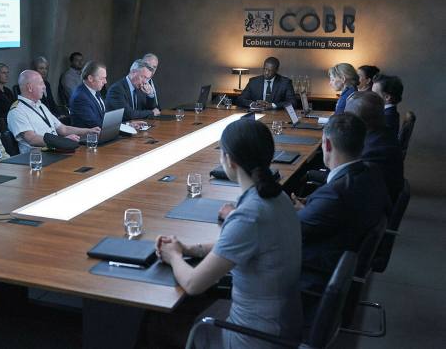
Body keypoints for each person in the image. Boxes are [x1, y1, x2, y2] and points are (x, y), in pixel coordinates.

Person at [157, 119, 302, 348]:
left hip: (252, 338)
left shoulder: (249, 215)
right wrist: (190, 249)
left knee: (157, 321)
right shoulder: (278, 197)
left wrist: (173, 256)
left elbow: (194, 284)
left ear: (230, 161)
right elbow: (236, 243)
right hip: (283, 323)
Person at [294, 113, 391, 290]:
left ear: (327, 144)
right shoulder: (372, 172)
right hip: (342, 257)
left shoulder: (334, 195)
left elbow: (287, 230)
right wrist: (309, 207)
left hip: (313, 274)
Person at [7, 70, 99, 154]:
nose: (44, 87)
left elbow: (63, 129)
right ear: (30, 87)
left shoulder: (41, 106)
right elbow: (32, 138)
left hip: (55, 151)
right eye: (41, 84)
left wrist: (89, 131)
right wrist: (61, 142)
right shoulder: (17, 111)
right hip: (37, 157)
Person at [345, 91, 404, 202]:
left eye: (345, 116)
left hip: (371, 210)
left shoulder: (373, 152)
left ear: (355, 121)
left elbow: (348, 193)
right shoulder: (382, 134)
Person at [69, 61, 109, 128]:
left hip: (101, 133)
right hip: (87, 137)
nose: (105, 82)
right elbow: (94, 124)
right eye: (102, 78)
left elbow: (104, 115)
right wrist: (119, 127)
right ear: (90, 78)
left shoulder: (95, 90)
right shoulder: (80, 97)